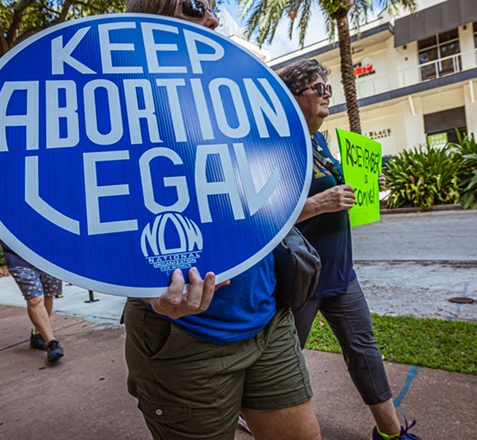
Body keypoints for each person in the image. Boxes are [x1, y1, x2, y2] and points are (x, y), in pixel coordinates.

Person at [122, 1, 322, 439]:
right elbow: (101, 230)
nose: (213, 19)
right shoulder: (120, 117)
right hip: (185, 337)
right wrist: (145, 288)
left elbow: (267, 196)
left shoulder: (239, 100)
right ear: (146, 20)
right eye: (195, 6)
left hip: (267, 317)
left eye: (214, 8)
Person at [278, 58, 420, 440]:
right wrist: (318, 205)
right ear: (293, 96)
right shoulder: (277, 144)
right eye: (317, 88)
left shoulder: (320, 140)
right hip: (300, 278)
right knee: (283, 364)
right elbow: (263, 220)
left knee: (365, 351)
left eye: (328, 88)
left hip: (340, 272)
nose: (326, 95)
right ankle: (253, 414)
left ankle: (390, 433)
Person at [0, 220, 64, 363]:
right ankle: (52, 343)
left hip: (49, 255)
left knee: (48, 295)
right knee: (35, 299)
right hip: (18, 259)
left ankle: (38, 335)